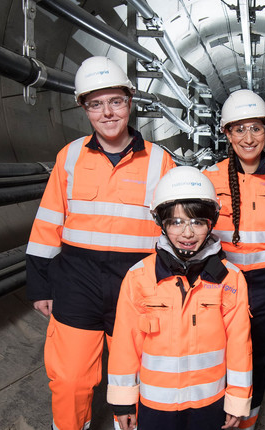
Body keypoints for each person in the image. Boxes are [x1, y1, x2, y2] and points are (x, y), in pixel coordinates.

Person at [25, 56, 176, 430]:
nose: (107, 113)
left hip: (136, 285)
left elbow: (174, 231)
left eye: (116, 101)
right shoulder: (71, 156)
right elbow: (48, 222)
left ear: (130, 101)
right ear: (84, 108)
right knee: (71, 380)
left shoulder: (160, 162)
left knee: (139, 381)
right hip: (77, 281)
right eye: (96, 104)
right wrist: (41, 284)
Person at [107, 166, 253, 430]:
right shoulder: (139, 277)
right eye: (176, 222)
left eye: (197, 222)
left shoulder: (231, 279)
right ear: (160, 223)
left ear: (211, 224)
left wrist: (238, 398)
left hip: (210, 402)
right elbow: (125, 345)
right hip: (155, 405)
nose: (187, 233)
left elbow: (239, 345)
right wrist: (124, 402)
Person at [203, 89, 265, 429]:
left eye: (256, 128)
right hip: (219, 284)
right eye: (239, 129)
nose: (248, 137)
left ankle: (246, 424)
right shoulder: (209, 180)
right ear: (226, 133)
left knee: (257, 359)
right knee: (213, 357)